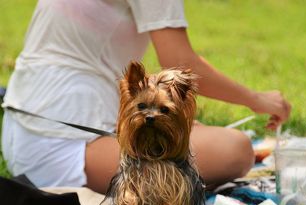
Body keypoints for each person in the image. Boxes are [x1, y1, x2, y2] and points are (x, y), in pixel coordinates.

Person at [1, 0, 291, 194]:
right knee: (236, 149)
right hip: (63, 149)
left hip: (20, 131)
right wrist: (257, 99)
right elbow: (180, 64)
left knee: (184, 131)